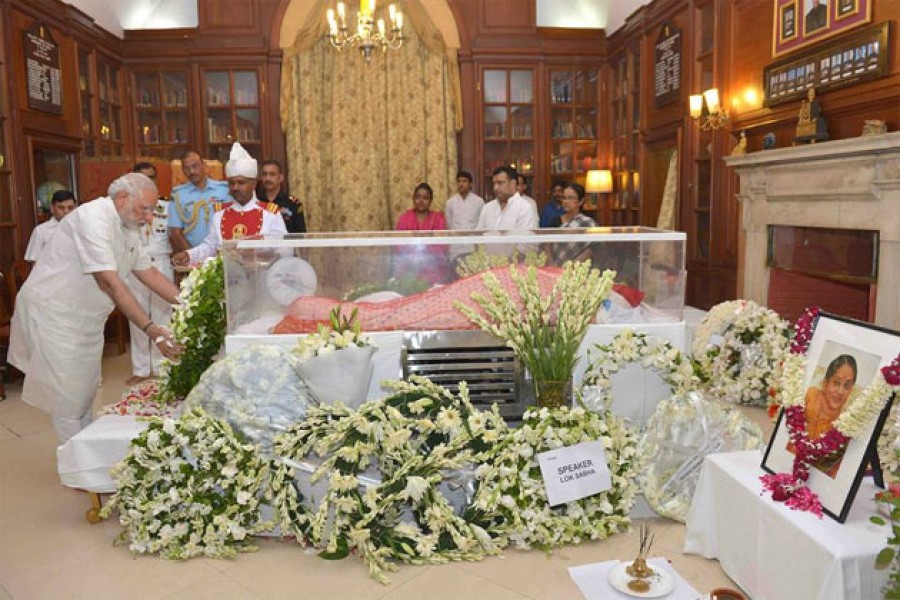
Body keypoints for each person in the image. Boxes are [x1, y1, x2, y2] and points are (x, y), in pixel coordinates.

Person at [8, 173, 182, 442]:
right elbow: (109, 282)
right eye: (145, 209)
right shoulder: (92, 218)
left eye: (152, 211)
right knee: (67, 399)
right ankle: (75, 460)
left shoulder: (128, 225)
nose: (149, 217)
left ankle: (86, 451)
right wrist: (151, 329)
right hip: (56, 314)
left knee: (85, 393)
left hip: (86, 318)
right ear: (122, 198)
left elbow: (150, 274)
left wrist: (191, 302)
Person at [172, 142, 288, 266]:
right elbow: (210, 246)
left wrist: (258, 253)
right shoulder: (219, 214)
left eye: (241, 183)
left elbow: (284, 250)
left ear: (254, 184)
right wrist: (189, 255)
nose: (235, 187)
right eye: (231, 183)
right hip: (228, 276)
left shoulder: (270, 214)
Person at [125, 162, 174, 386]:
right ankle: (141, 369)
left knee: (163, 315)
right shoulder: (126, 208)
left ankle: (163, 366)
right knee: (138, 316)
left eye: (152, 177)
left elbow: (175, 233)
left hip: (161, 263)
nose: (148, 181)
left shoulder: (167, 205)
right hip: (135, 265)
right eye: (142, 177)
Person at [802, 354, 858, 477]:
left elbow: (831, 475)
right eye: (836, 383)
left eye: (847, 386)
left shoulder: (845, 428)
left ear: (851, 390)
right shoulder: (810, 396)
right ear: (825, 383)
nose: (840, 391)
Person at [167, 149, 230, 253]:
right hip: (194, 253)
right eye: (187, 168)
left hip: (223, 252)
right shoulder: (178, 195)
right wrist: (194, 255)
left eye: (195, 166)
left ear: (204, 165)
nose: (191, 171)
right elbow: (175, 232)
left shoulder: (224, 190)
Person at [394, 182, 449, 283]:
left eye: (425, 198)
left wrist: (424, 258)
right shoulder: (404, 218)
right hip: (408, 273)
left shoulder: (438, 219)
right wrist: (414, 259)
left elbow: (441, 246)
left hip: (433, 273)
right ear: (413, 199)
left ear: (431, 200)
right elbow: (398, 246)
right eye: (418, 197)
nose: (421, 201)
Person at [477, 166, 539, 231]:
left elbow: (525, 236)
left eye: (500, 183)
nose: (495, 188)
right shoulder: (487, 208)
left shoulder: (525, 207)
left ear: (513, 183)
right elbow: (478, 234)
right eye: (494, 183)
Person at [549, 182, 598, 265]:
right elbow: (548, 246)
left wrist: (571, 266)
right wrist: (552, 266)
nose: (566, 201)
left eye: (570, 198)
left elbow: (592, 249)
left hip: (578, 268)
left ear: (581, 201)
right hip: (556, 268)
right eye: (564, 198)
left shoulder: (587, 223)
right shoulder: (555, 221)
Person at [24, 190, 77, 263]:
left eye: (70, 208)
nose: (66, 211)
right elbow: (34, 261)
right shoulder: (41, 231)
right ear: (52, 208)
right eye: (61, 208)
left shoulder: (81, 228)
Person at [258, 159, 307, 233]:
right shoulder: (256, 202)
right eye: (264, 174)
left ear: (281, 178)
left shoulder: (293, 204)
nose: (268, 178)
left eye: (272, 174)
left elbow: (301, 234)